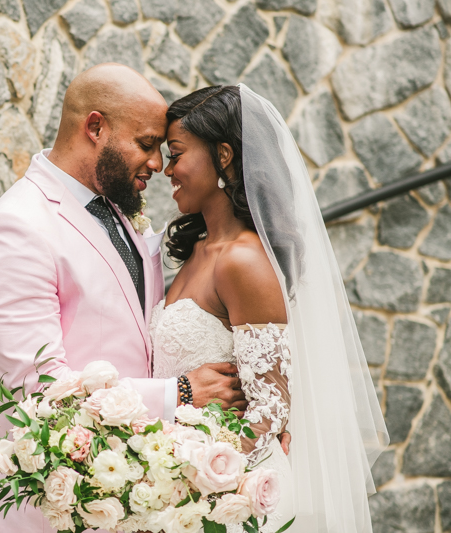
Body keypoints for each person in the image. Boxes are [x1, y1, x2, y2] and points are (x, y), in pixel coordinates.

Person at [0, 64, 251, 533]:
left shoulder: (118, 207)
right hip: (61, 506)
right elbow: (37, 390)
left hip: (143, 495)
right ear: (95, 127)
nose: (159, 164)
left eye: (162, 149)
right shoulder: (17, 227)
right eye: (146, 144)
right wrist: (178, 394)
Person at [152, 84, 388, 532]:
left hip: (232, 501)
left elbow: (269, 410)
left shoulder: (242, 261)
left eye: (176, 154)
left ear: (223, 155)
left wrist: (190, 489)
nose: (166, 169)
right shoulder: (199, 250)